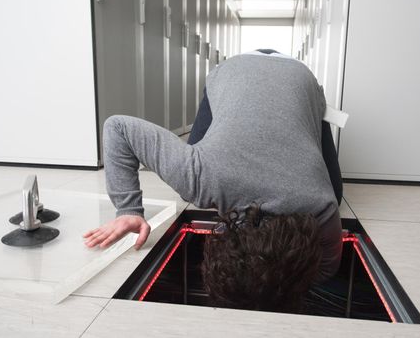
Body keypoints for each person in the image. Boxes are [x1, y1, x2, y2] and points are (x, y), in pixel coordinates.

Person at [83, 50, 343, 312]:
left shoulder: (320, 205)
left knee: (335, 192)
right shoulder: (200, 177)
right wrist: (128, 211)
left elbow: (327, 269)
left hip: (295, 76)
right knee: (336, 192)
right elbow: (118, 128)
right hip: (261, 70)